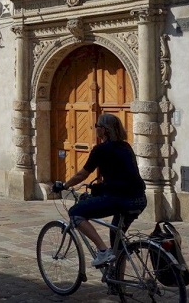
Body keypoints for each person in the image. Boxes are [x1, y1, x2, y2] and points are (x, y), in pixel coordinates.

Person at [52, 113, 147, 267]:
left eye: (97, 126)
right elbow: (123, 174)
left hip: (119, 199)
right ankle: (118, 283)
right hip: (139, 199)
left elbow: (83, 174)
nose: (95, 129)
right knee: (117, 237)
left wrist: (65, 185)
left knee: (75, 213)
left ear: (104, 130)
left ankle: (102, 251)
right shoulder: (126, 146)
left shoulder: (101, 149)